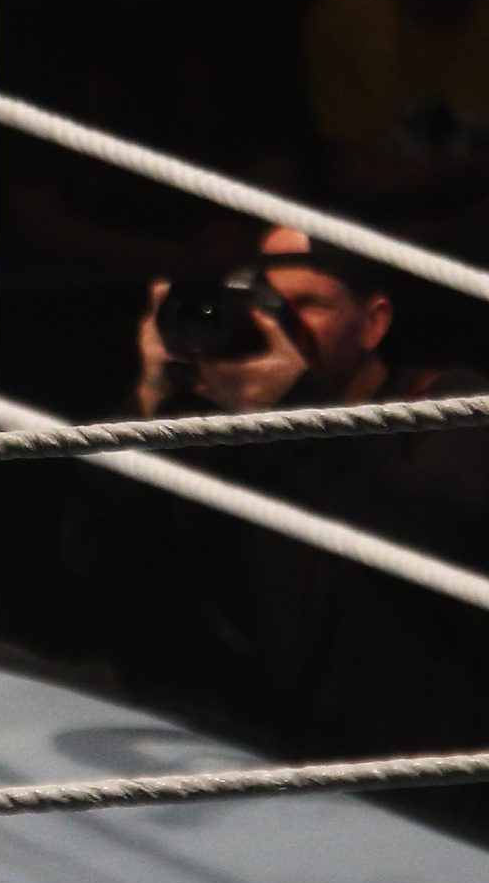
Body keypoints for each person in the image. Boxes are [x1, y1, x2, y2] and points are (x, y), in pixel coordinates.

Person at [122, 223, 489, 757]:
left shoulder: (452, 409)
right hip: (255, 756)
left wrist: (293, 409)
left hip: (426, 762)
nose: (279, 320)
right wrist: (149, 404)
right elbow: (100, 562)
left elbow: (431, 532)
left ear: (373, 323)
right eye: (263, 300)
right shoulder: (226, 423)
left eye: (308, 304)